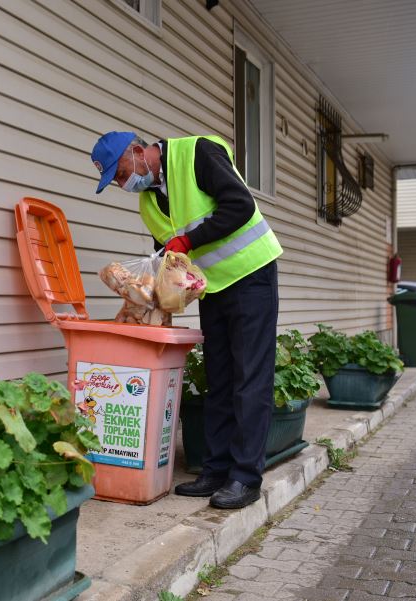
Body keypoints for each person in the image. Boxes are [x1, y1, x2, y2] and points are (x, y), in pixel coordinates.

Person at [90, 131, 282, 509]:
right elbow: (166, 252)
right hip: (212, 289)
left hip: (251, 275)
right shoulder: (148, 203)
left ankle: (245, 478)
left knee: (250, 378)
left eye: (120, 171)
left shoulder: (196, 154)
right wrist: (149, 290)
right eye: (114, 180)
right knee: (220, 379)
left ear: (138, 151)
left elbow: (240, 206)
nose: (122, 182)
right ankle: (215, 470)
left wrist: (189, 242)